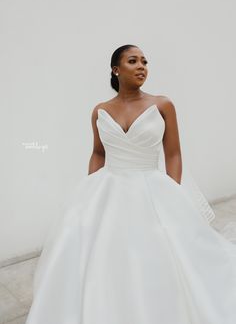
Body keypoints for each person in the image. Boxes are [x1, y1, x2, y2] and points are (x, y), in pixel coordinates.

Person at [25, 44, 236, 324]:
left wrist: (173, 194)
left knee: (161, 254)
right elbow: (98, 153)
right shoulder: (99, 111)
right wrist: (89, 197)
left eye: (145, 62)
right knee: (102, 256)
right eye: (133, 61)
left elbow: (172, 153)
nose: (142, 67)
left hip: (151, 186)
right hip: (109, 186)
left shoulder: (162, 105)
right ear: (116, 69)